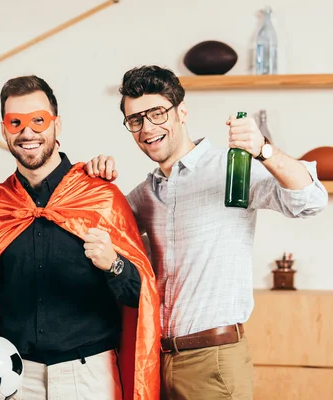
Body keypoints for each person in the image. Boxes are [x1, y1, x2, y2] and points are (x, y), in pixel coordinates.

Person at [85, 65, 329, 400]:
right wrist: (93, 180)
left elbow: (311, 200)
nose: (147, 128)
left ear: (181, 111)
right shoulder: (144, 193)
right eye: (136, 120)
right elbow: (100, 236)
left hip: (213, 360)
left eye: (157, 113)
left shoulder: (231, 169)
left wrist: (263, 149)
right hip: (154, 359)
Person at [0, 75, 161, 400]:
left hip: (90, 377)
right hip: (15, 377)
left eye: (38, 121)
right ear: (4, 129)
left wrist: (114, 265)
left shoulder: (100, 197)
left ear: (57, 125)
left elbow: (142, 297)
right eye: (16, 122)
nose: (27, 133)